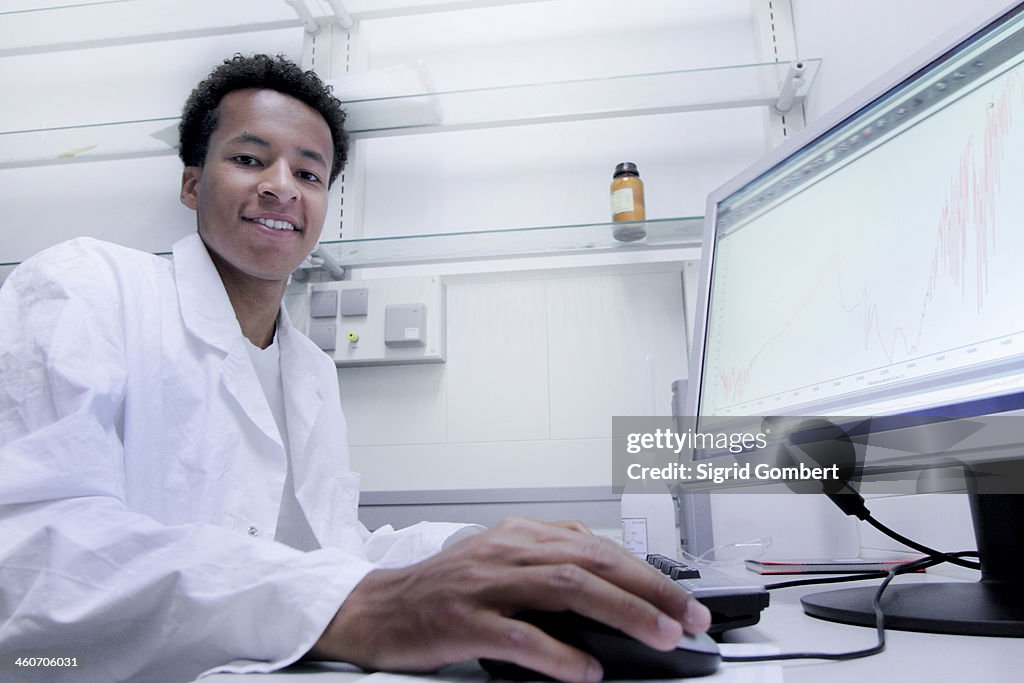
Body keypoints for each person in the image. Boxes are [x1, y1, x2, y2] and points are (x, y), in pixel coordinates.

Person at [0, 54, 709, 682]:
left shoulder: (307, 368)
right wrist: (356, 604)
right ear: (191, 184)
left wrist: (474, 547)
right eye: (249, 160)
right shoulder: (85, 285)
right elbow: (35, 561)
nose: (282, 187)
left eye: (309, 172)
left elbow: (335, 545)